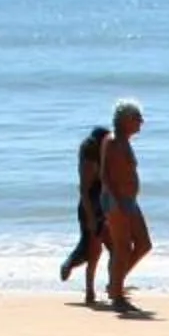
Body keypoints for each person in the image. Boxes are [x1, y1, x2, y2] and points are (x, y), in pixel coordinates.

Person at [99, 99, 150, 312]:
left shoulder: (124, 141)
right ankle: (117, 295)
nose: (141, 122)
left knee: (143, 244)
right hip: (116, 201)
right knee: (122, 247)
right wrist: (118, 202)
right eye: (137, 118)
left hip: (129, 200)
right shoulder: (112, 141)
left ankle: (114, 284)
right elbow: (105, 174)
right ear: (125, 120)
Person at [58, 122, 107, 302]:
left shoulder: (100, 157)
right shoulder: (89, 161)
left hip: (101, 206)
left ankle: (111, 285)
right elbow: (84, 191)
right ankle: (89, 291)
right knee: (93, 250)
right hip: (90, 208)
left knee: (94, 248)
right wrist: (91, 217)